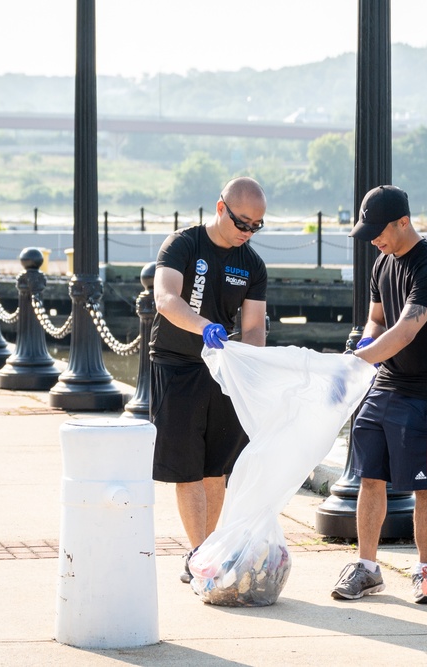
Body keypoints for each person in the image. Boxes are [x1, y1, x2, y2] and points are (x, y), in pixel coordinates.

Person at [331, 184, 427, 604]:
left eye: (378, 230)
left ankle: (426, 570)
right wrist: (363, 349)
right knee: (369, 476)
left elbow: (405, 329)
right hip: (385, 381)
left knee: (425, 484)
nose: (373, 240)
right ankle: (367, 568)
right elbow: (376, 319)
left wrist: (360, 362)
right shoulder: (382, 263)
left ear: (403, 221)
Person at [150, 176, 269, 584]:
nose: (248, 232)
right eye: (242, 223)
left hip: (222, 369)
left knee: (215, 468)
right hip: (178, 364)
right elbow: (166, 299)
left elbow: (254, 328)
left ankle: (208, 551)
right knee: (186, 468)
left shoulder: (251, 263)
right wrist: (205, 328)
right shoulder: (183, 245)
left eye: (257, 226)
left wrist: (251, 366)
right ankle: (197, 554)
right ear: (221, 209)